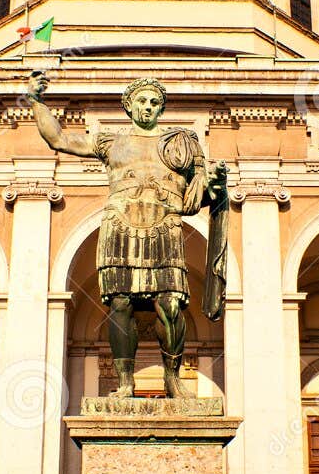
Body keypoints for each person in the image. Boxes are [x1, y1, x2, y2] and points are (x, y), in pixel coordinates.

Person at [26, 73, 227, 397]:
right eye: (142, 102)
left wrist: (215, 186)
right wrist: (36, 102)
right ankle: (125, 383)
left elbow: (196, 196)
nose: (148, 107)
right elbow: (59, 139)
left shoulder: (179, 145)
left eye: (154, 103)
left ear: (161, 108)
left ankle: (172, 379)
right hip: (120, 226)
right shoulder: (111, 143)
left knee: (170, 305)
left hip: (164, 225)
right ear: (129, 106)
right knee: (120, 304)